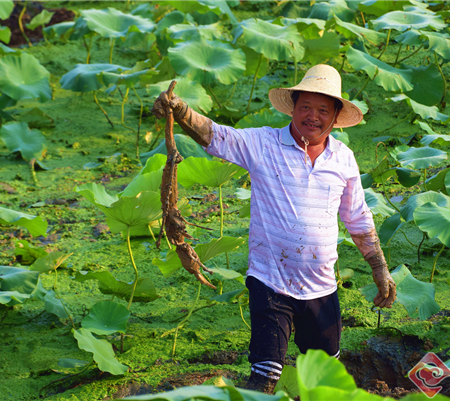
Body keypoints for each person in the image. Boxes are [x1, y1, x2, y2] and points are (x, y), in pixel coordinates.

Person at [153, 64, 396, 394]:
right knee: (264, 376)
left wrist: (380, 269)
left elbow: (358, 219)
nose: (312, 116)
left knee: (325, 379)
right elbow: (216, 135)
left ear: (336, 117)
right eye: (305, 107)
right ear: (293, 107)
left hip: (321, 287)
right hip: (270, 280)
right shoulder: (263, 144)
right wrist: (180, 110)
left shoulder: (344, 159)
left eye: (323, 109)